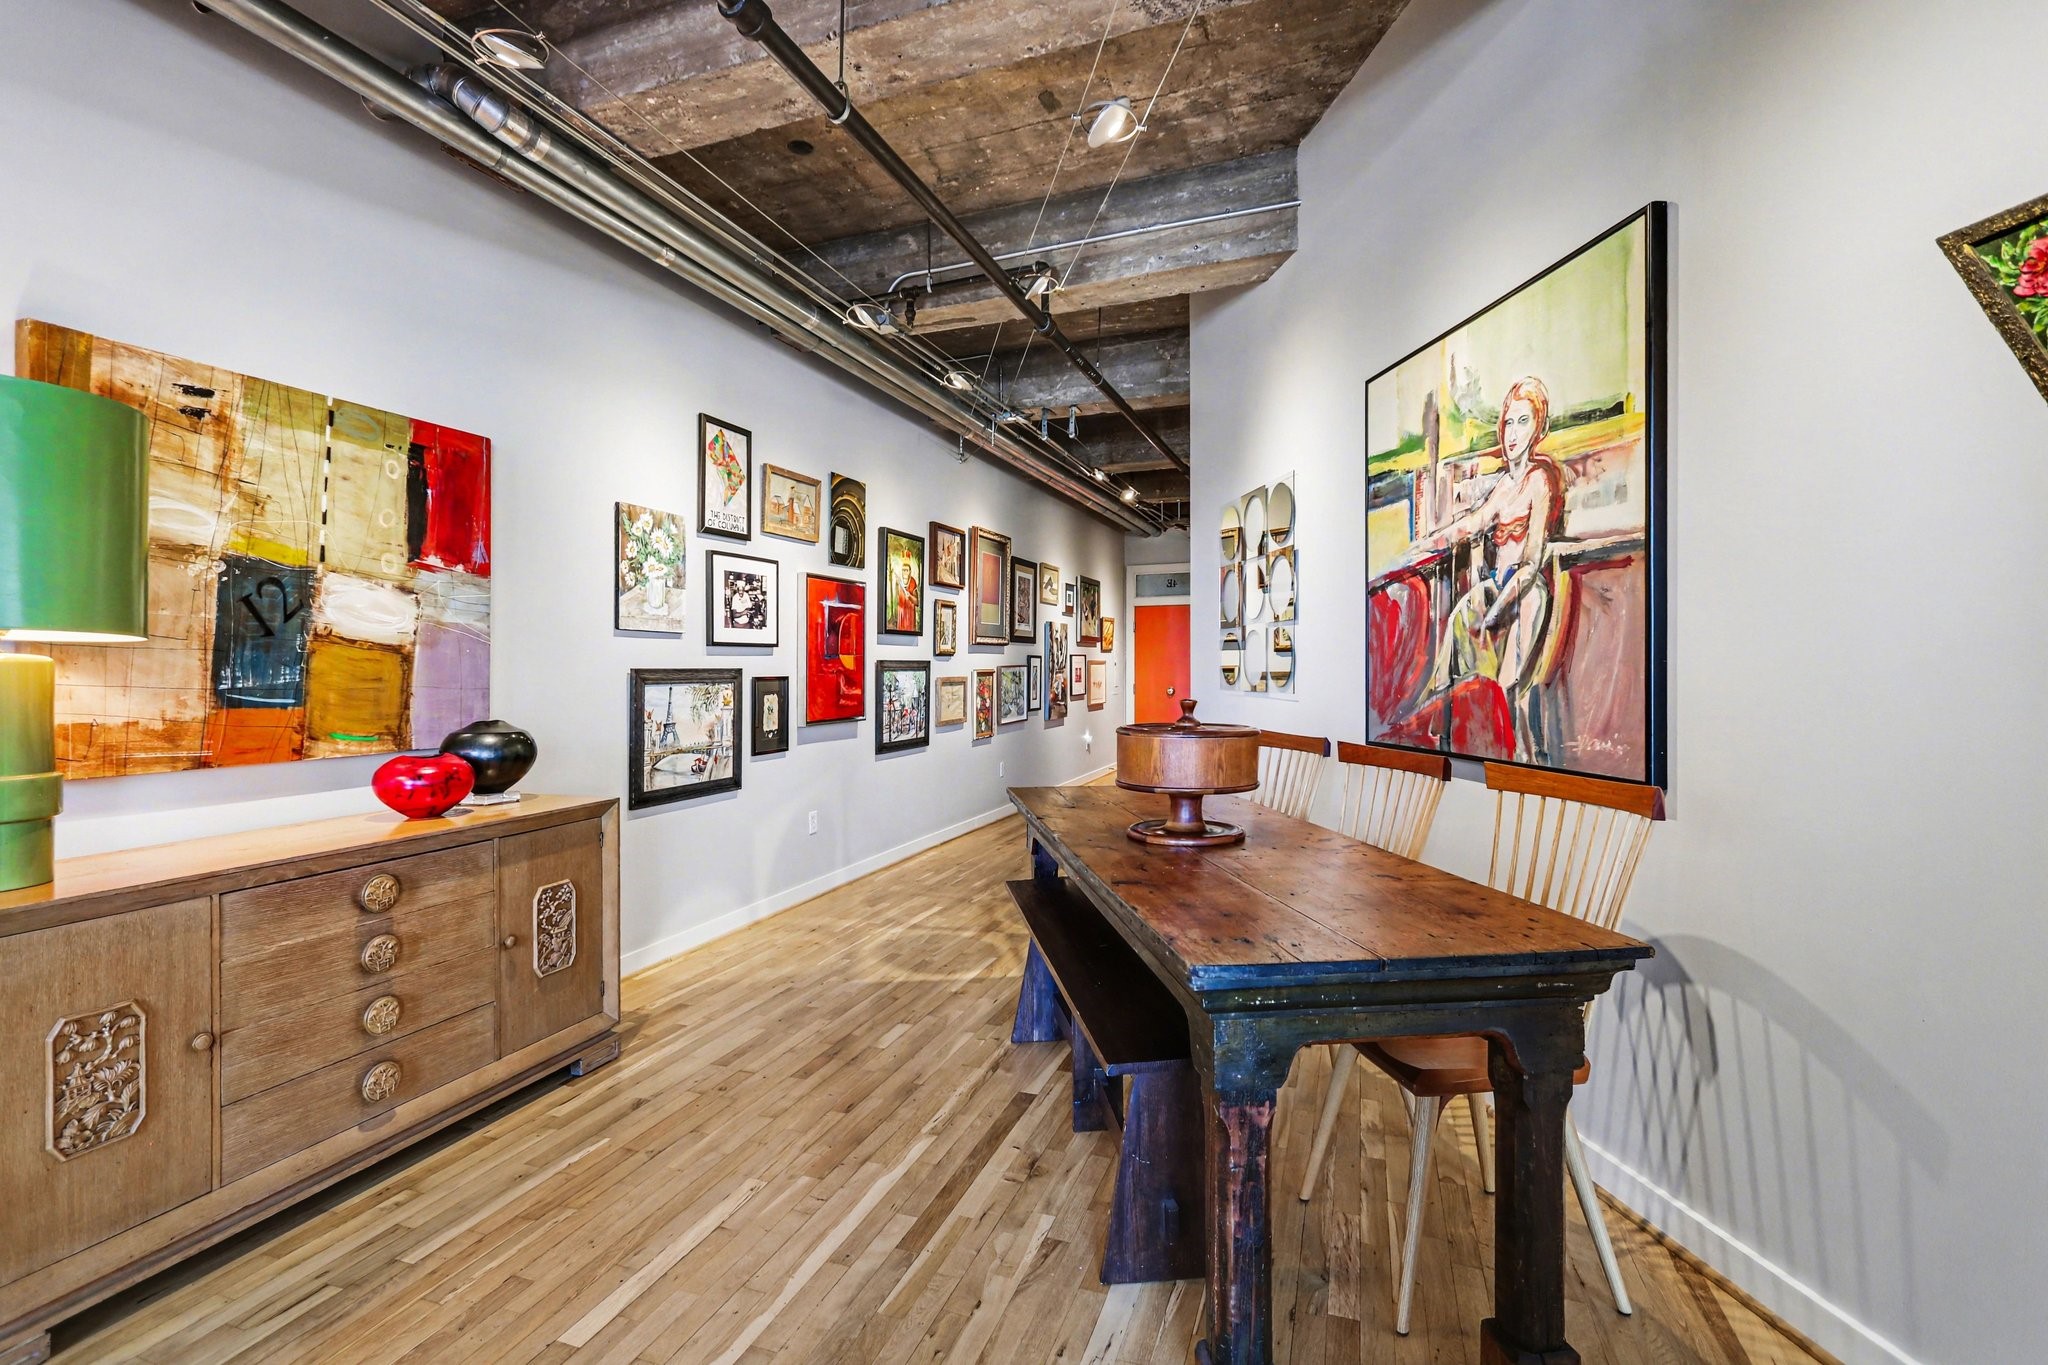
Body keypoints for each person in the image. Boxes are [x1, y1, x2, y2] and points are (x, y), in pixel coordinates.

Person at [1408, 375, 1567, 730]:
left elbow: (1530, 564)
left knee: (1509, 680)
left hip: (1525, 592)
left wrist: (1497, 608)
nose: (1512, 433)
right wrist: (1430, 542)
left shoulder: (1538, 482)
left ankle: (1507, 740)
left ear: (1537, 428)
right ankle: (1440, 714)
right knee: (1461, 618)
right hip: (1497, 585)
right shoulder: (1503, 486)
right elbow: (1472, 523)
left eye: (1523, 422)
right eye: (1508, 422)